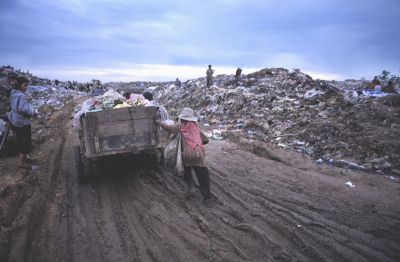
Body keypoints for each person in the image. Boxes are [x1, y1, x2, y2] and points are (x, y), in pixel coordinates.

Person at [155, 107, 217, 207]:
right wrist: (197, 144)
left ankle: (191, 185)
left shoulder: (181, 126)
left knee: (183, 170)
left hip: (187, 155)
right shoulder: (196, 127)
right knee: (203, 175)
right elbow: (206, 139)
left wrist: (158, 122)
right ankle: (207, 197)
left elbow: (169, 128)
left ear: (182, 118)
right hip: (199, 155)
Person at [9, 76, 38, 167]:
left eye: (27, 86)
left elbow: (14, 107)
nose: (26, 87)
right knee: (25, 141)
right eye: (25, 85)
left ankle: (25, 159)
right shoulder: (22, 96)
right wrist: (33, 112)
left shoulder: (13, 93)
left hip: (15, 120)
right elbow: (23, 109)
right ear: (19, 85)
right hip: (23, 122)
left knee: (20, 139)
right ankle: (21, 162)